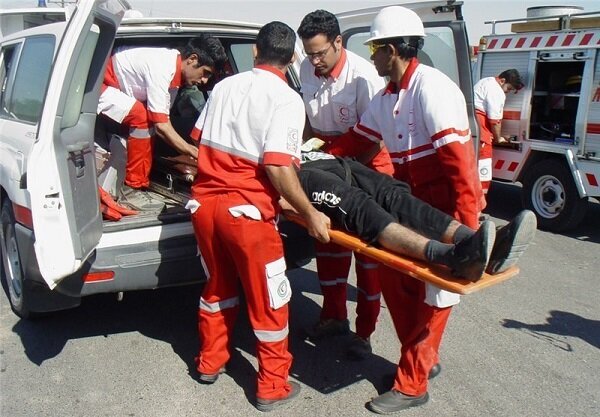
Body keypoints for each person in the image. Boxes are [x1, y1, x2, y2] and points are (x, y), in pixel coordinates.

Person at [334, 6, 506, 413]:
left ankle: (412, 384)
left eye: (374, 49)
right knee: (397, 284)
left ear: (391, 50)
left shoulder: (434, 89)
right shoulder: (386, 97)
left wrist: (467, 238)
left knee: (434, 298)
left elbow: (461, 171)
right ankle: (422, 360)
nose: (372, 57)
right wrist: (312, 157)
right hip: (407, 202)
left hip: (443, 210)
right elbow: (357, 140)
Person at [188, 22, 330, 412]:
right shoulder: (286, 99)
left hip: (205, 208)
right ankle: (272, 385)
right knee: (270, 300)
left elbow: (199, 141)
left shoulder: (222, 87)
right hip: (247, 216)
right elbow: (279, 166)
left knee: (217, 286)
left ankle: (210, 362)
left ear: (255, 50)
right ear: (293, 58)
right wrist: (310, 213)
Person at [297, 9, 390, 359]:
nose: (315, 61)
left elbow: (374, 137)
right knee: (328, 245)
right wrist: (308, 156)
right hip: (327, 159)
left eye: (321, 53)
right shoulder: (306, 68)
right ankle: (334, 316)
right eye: (309, 54)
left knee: (368, 255)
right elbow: (309, 121)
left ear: (338, 42)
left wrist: (344, 173)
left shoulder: (364, 77)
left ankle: (364, 333)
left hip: (366, 163)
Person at [293, 153, 536, 282]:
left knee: (394, 195)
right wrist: (305, 210)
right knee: (360, 208)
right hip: (299, 175)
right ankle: (454, 257)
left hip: (330, 160)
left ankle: (477, 242)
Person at [97, 36, 227, 196]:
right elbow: (162, 126)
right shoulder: (163, 67)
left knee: (149, 119)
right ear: (192, 59)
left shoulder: (175, 77)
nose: (205, 80)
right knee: (141, 117)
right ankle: (133, 188)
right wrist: (194, 152)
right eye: (205, 73)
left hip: (118, 85)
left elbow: (164, 120)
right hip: (101, 81)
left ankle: (138, 178)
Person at [474, 69, 524, 197]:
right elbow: (495, 120)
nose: (508, 92)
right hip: (481, 133)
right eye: (509, 88)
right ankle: (479, 202)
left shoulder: (484, 81)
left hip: (472, 129)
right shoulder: (496, 90)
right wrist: (499, 138)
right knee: (483, 170)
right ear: (502, 81)